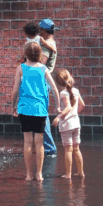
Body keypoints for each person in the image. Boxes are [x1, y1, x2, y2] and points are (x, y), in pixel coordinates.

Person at [11, 42, 60, 182]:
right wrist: (57, 106)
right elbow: (54, 89)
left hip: (25, 108)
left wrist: (12, 106)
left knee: (27, 142)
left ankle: (28, 175)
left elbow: (15, 90)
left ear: (25, 53)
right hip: (40, 110)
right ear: (39, 54)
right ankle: (39, 174)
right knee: (39, 142)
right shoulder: (44, 69)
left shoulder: (20, 68)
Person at [51, 68, 85, 179]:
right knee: (76, 149)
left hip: (67, 125)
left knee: (68, 150)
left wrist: (58, 117)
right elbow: (82, 105)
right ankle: (80, 172)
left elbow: (68, 107)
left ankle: (68, 174)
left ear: (58, 83)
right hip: (76, 124)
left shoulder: (63, 93)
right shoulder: (76, 91)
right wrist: (75, 114)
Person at [38, 18, 58, 156]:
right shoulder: (52, 42)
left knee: (41, 114)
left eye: (40, 29)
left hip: (42, 80)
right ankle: (46, 147)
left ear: (44, 30)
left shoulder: (46, 45)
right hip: (44, 81)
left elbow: (41, 63)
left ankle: (49, 148)